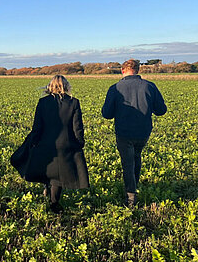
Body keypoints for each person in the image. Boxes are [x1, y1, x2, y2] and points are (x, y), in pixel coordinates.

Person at [102, 59, 167, 207]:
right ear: (137, 70)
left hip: (124, 132)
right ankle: (134, 186)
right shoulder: (150, 86)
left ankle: (130, 197)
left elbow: (107, 114)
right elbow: (161, 110)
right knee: (136, 157)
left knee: (127, 163)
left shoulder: (115, 88)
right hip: (143, 132)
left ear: (122, 71)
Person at [27, 75, 89, 213]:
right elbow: (77, 127)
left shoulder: (43, 102)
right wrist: (79, 142)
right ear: (66, 86)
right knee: (58, 176)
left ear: (50, 86)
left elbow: (37, 126)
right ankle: (54, 203)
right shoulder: (74, 103)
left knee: (49, 169)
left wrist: (34, 141)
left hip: (46, 141)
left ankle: (48, 191)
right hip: (65, 144)